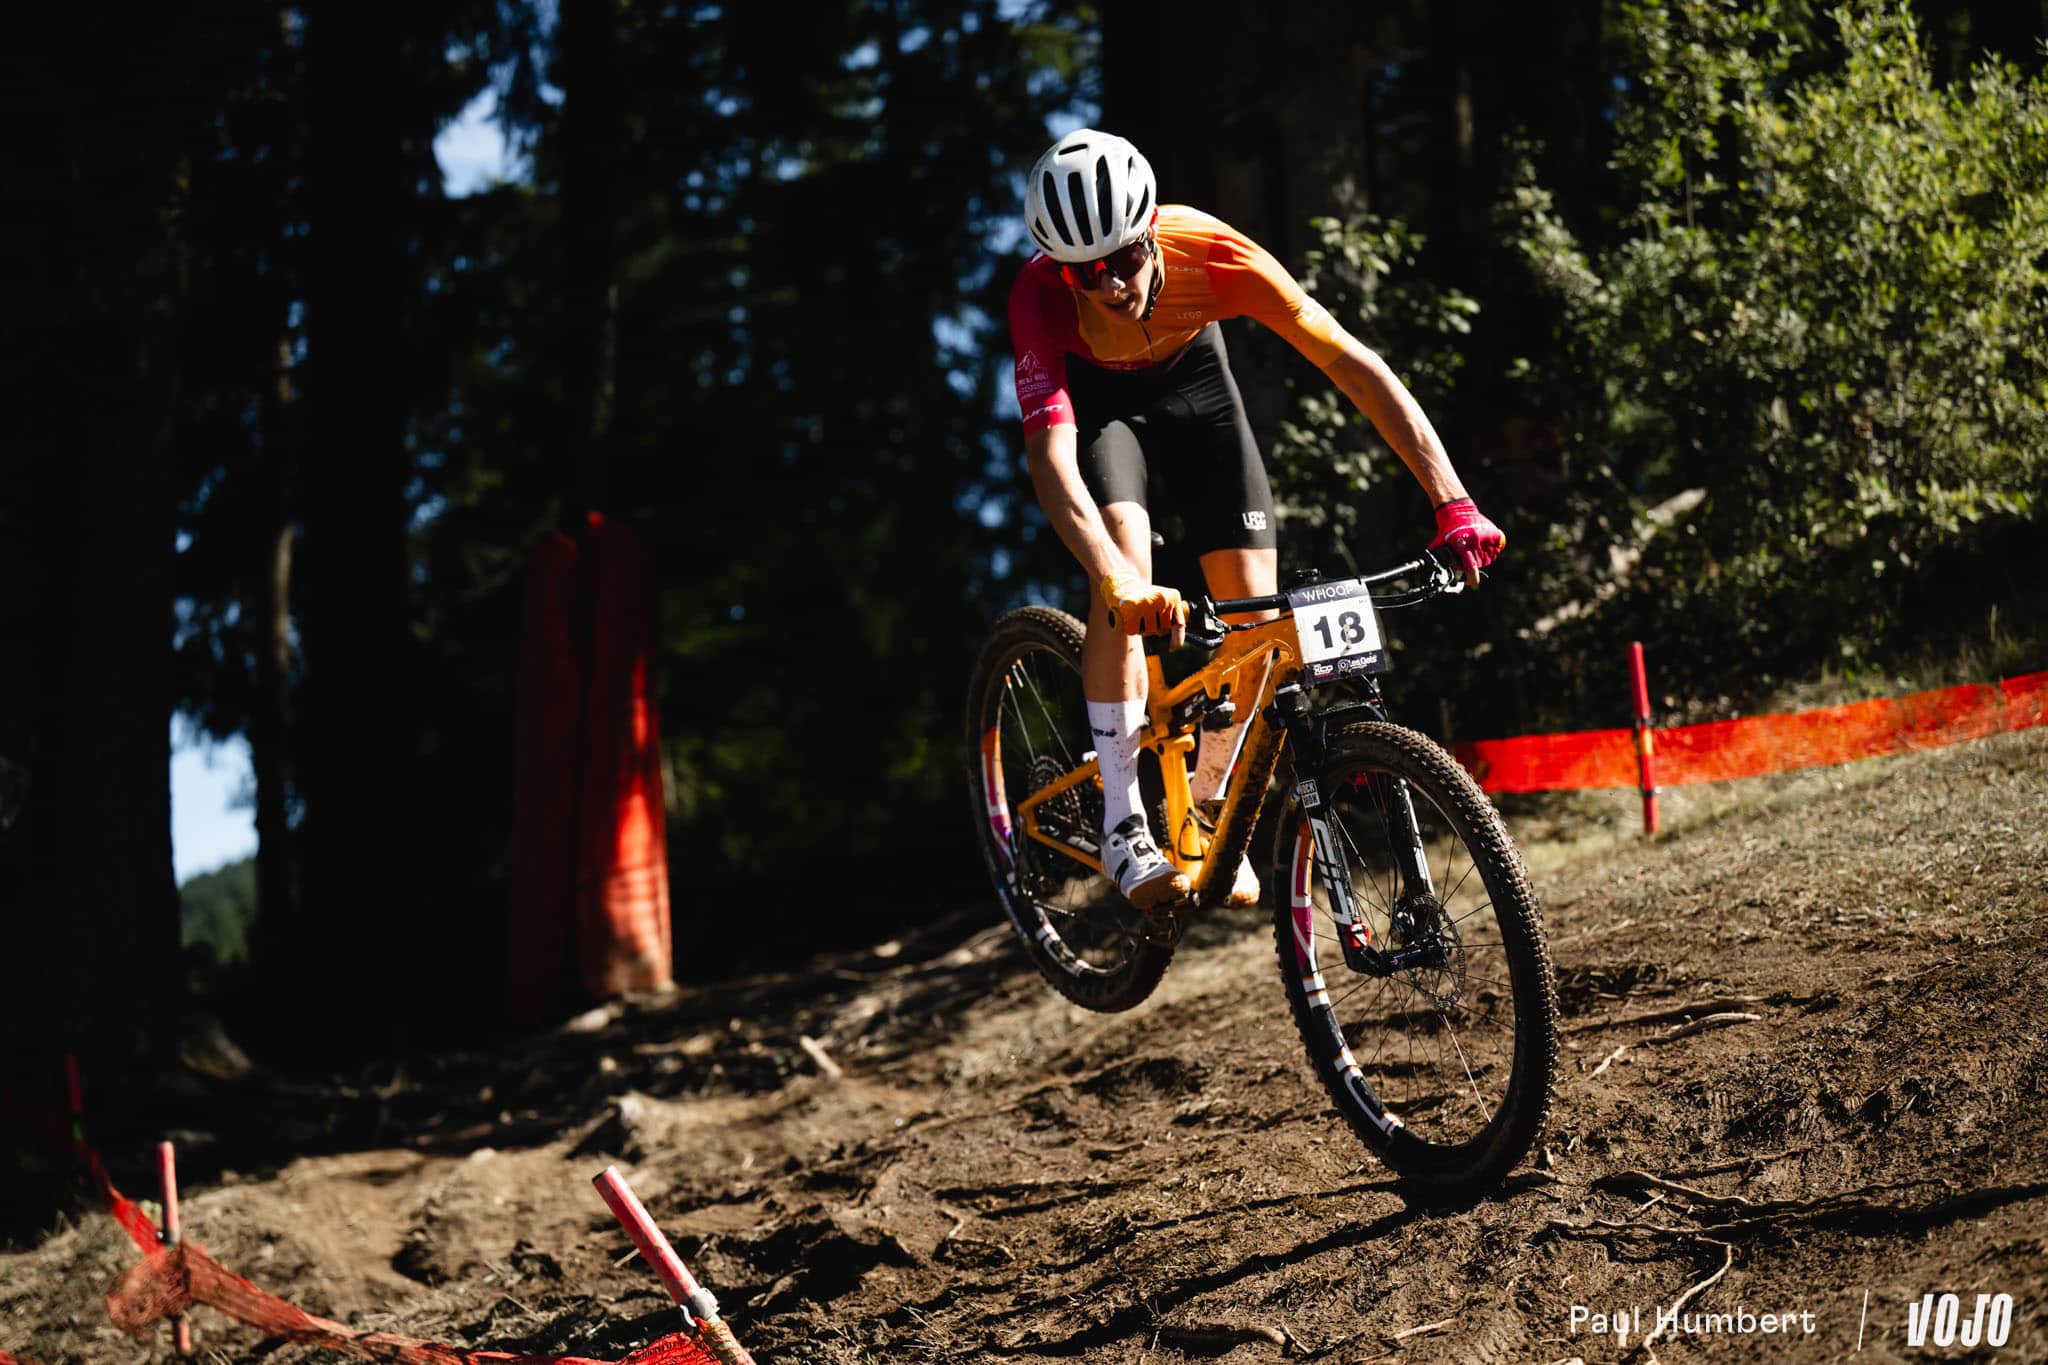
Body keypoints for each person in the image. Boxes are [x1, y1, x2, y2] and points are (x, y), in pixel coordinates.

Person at [1007, 128, 1506, 912]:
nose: (1110, 283)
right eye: (1085, 271)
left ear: (1150, 231)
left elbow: (1353, 365)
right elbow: (1051, 459)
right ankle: (1122, 822)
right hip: (1099, 404)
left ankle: (1207, 813)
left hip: (1194, 384)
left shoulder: (1214, 253)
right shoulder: (1038, 295)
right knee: (1124, 562)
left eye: (1125, 258)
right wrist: (1112, 578)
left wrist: (1453, 501)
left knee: (1255, 620)